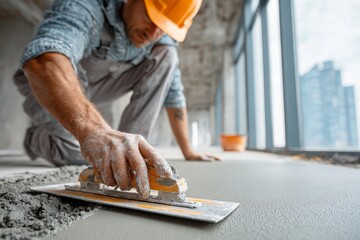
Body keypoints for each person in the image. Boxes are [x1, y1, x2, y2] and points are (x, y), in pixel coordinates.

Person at [13, 0, 220, 199]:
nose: (153, 33)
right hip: (47, 87)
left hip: (95, 89)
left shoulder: (160, 39)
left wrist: (189, 150)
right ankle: (34, 139)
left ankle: (131, 156)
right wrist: (94, 132)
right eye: (151, 17)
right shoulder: (87, 6)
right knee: (84, 156)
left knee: (168, 55)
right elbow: (44, 60)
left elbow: (174, 95)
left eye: (163, 28)